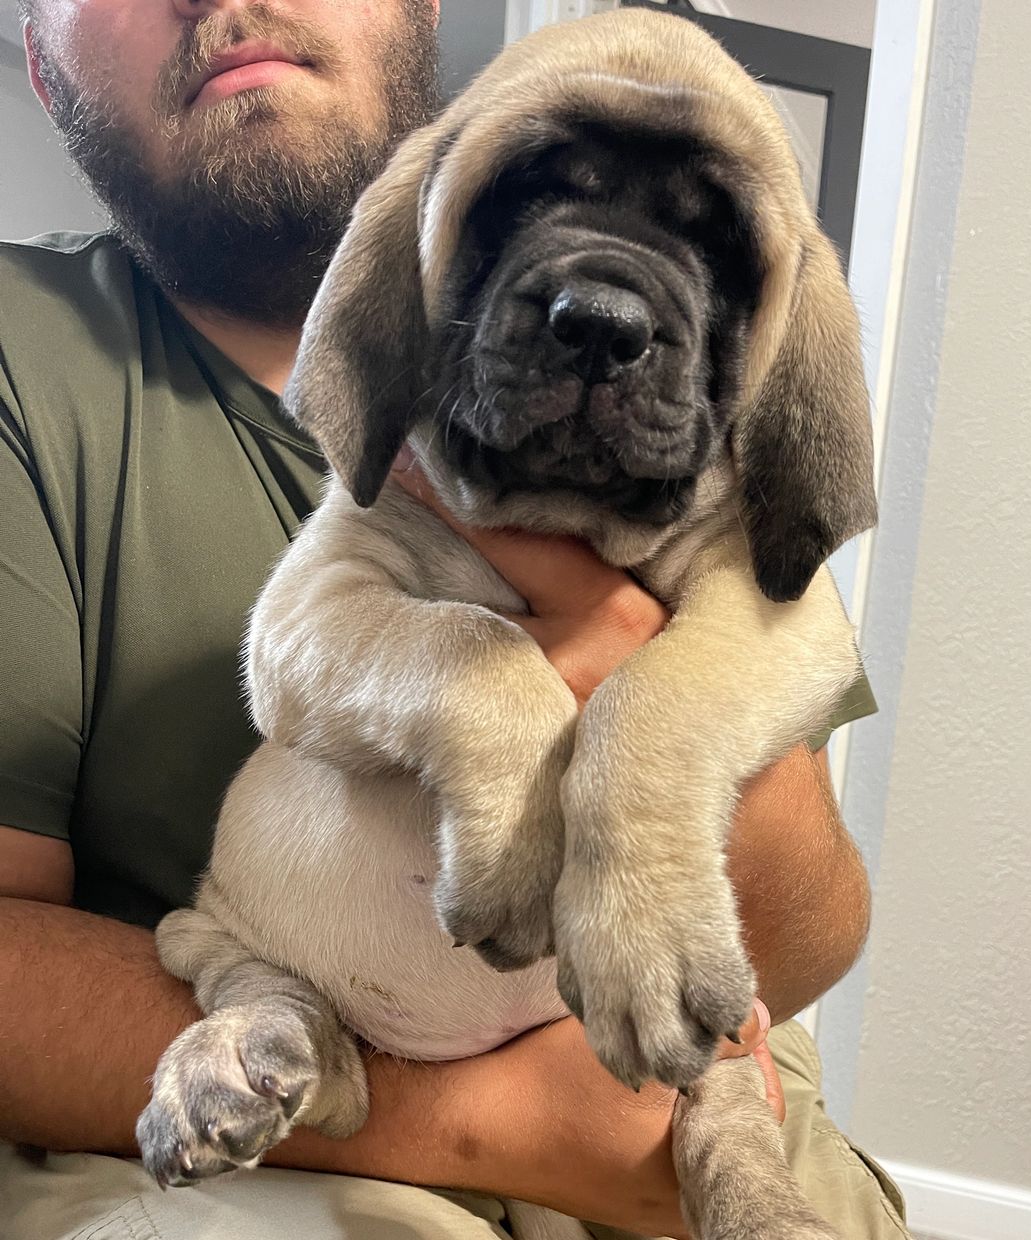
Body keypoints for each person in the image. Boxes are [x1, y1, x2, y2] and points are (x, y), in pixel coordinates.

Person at [0, 2, 908, 1238]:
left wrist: (648, 725)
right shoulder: (33, 361)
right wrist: (497, 1127)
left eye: (705, 251)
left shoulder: (733, 509)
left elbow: (809, 933)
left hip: (668, 1107)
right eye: (524, 203)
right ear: (43, 72)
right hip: (259, 1105)